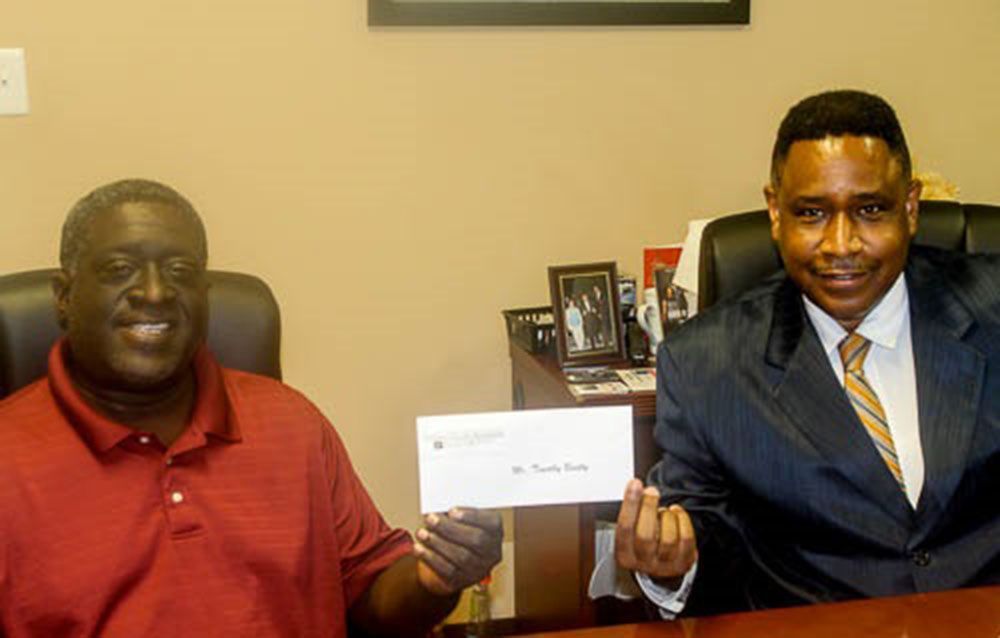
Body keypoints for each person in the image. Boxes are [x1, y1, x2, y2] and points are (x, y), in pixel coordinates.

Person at [0, 179, 502, 637]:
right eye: (119, 271)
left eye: (179, 271)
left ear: (205, 295)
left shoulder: (292, 425)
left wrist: (432, 578)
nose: (154, 292)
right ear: (64, 298)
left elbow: (369, 594)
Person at [614, 90, 1000, 616]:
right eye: (812, 213)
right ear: (776, 213)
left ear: (910, 208)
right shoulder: (708, 364)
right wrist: (671, 564)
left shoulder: (993, 311)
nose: (841, 245)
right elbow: (702, 534)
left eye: (869, 210)